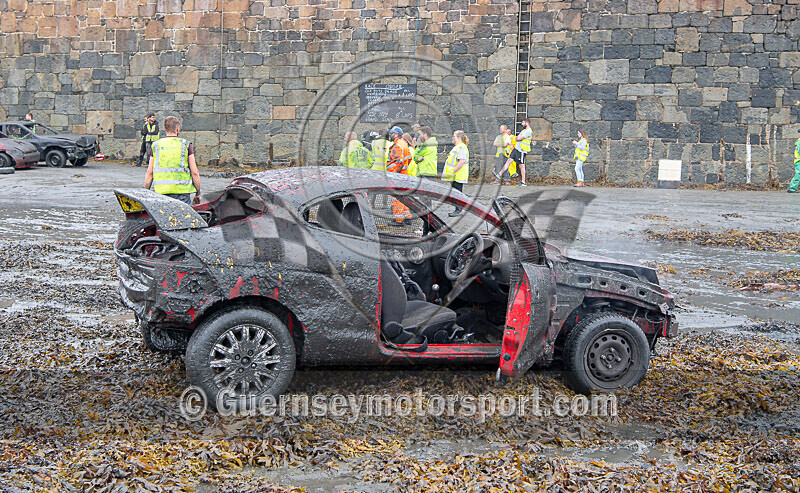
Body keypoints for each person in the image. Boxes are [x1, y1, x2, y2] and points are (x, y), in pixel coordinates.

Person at [144, 116, 201, 205]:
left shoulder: (156, 145)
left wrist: (146, 192)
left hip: (161, 192)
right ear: (177, 128)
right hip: (182, 193)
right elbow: (195, 172)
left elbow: (149, 172)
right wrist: (198, 193)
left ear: (164, 128)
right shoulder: (185, 145)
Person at [386, 126, 413, 224]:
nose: (390, 135)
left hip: (397, 175)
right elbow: (409, 158)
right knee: (404, 196)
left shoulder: (397, 145)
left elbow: (399, 162)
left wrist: (395, 174)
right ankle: (407, 217)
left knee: (396, 197)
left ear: (396, 134)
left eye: (391, 133)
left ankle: (399, 220)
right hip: (404, 174)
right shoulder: (404, 144)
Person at [495, 118, 532, 186]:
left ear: (526, 123)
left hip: (521, 150)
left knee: (521, 166)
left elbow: (519, 138)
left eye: (523, 123)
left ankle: (523, 182)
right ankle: (499, 174)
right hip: (516, 149)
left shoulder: (528, 131)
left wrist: (518, 138)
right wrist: (517, 138)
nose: (522, 124)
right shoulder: (524, 130)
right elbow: (516, 138)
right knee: (509, 161)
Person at [443, 130, 469, 217]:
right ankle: (458, 208)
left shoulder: (461, 147)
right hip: (456, 175)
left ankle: (458, 209)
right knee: (456, 193)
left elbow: (461, 161)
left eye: (454, 136)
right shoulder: (459, 147)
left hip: (457, 175)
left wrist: (452, 171)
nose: (453, 138)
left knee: (457, 193)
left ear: (458, 138)